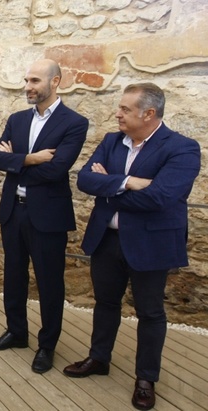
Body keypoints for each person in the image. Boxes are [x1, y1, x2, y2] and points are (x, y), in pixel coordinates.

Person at [64, 83, 200, 410]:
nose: (118, 114)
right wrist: (128, 182)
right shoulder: (112, 141)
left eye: (125, 109)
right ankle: (99, 359)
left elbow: (162, 197)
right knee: (105, 303)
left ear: (148, 113)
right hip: (107, 241)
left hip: (150, 243)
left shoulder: (182, 148)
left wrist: (108, 186)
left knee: (150, 312)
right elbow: (84, 180)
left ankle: (145, 378)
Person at [0, 59, 88, 374]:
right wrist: (30, 158)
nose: (28, 87)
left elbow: (56, 169)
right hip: (13, 211)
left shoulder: (74, 123)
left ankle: (47, 345)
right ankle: (16, 332)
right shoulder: (17, 119)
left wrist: (17, 161)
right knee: (13, 276)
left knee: (49, 283)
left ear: (55, 81)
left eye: (35, 81)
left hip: (48, 216)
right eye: (26, 80)